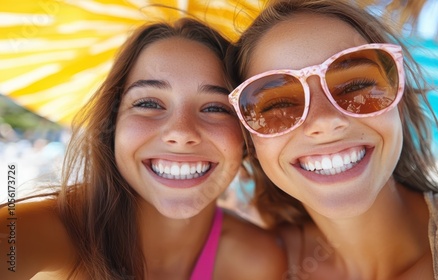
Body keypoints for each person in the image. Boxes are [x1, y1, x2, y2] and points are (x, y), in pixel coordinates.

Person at [226, 0, 438, 279]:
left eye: (356, 87)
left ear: (398, 101)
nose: (324, 121)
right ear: (250, 143)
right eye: (278, 106)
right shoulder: (246, 265)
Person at [0, 18, 287, 280]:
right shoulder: (46, 229)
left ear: (245, 137)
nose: (181, 132)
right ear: (112, 122)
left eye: (215, 108)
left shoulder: (256, 260)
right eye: (149, 104)